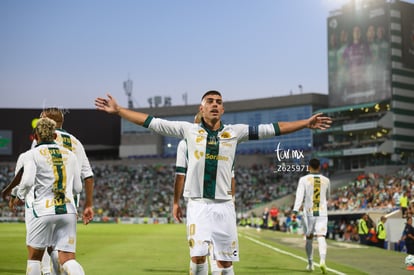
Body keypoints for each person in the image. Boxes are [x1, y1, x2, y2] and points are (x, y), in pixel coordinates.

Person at [95, 90, 332, 275]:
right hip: (198, 204)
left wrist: (305, 123)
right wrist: (119, 111)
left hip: (224, 206)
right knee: (198, 258)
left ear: (223, 108)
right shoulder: (188, 131)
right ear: (202, 108)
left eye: (219, 101)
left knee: (225, 262)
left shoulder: (235, 132)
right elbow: (152, 122)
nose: (215, 104)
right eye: (210, 101)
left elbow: (272, 129)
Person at [11, 117, 85, 275]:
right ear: (55, 136)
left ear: (36, 136)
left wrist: (19, 196)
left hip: (43, 210)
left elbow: (27, 181)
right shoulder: (70, 156)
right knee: (67, 258)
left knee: (35, 257)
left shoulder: (30, 154)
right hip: (68, 211)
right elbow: (78, 188)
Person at [173, 111, 236, 275]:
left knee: (201, 251)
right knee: (218, 253)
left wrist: (175, 202)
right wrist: (232, 199)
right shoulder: (225, 141)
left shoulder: (185, 143)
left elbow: (180, 174)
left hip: (201, 202)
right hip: (216, 201)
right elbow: (231, 177)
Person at [35, 107, 95, 274]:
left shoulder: (42, 138)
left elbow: (32, 169)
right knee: (64, 252)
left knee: (45, 250)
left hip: (45, 201)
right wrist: (88, 204)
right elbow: (88, 176)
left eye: (41, 117)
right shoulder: (76, 142)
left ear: (46, 119)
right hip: (69, 205)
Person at [292, 158, 330, 274]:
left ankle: (310, 263)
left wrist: (295, 210)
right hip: (322, 212)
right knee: (321, 236)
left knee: (309, 238)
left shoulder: (304, 179)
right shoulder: (326, 180)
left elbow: (299, 195)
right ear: (319, 167)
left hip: (309, 212)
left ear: (309, 167)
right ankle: (322, 261)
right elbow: (328, 196)